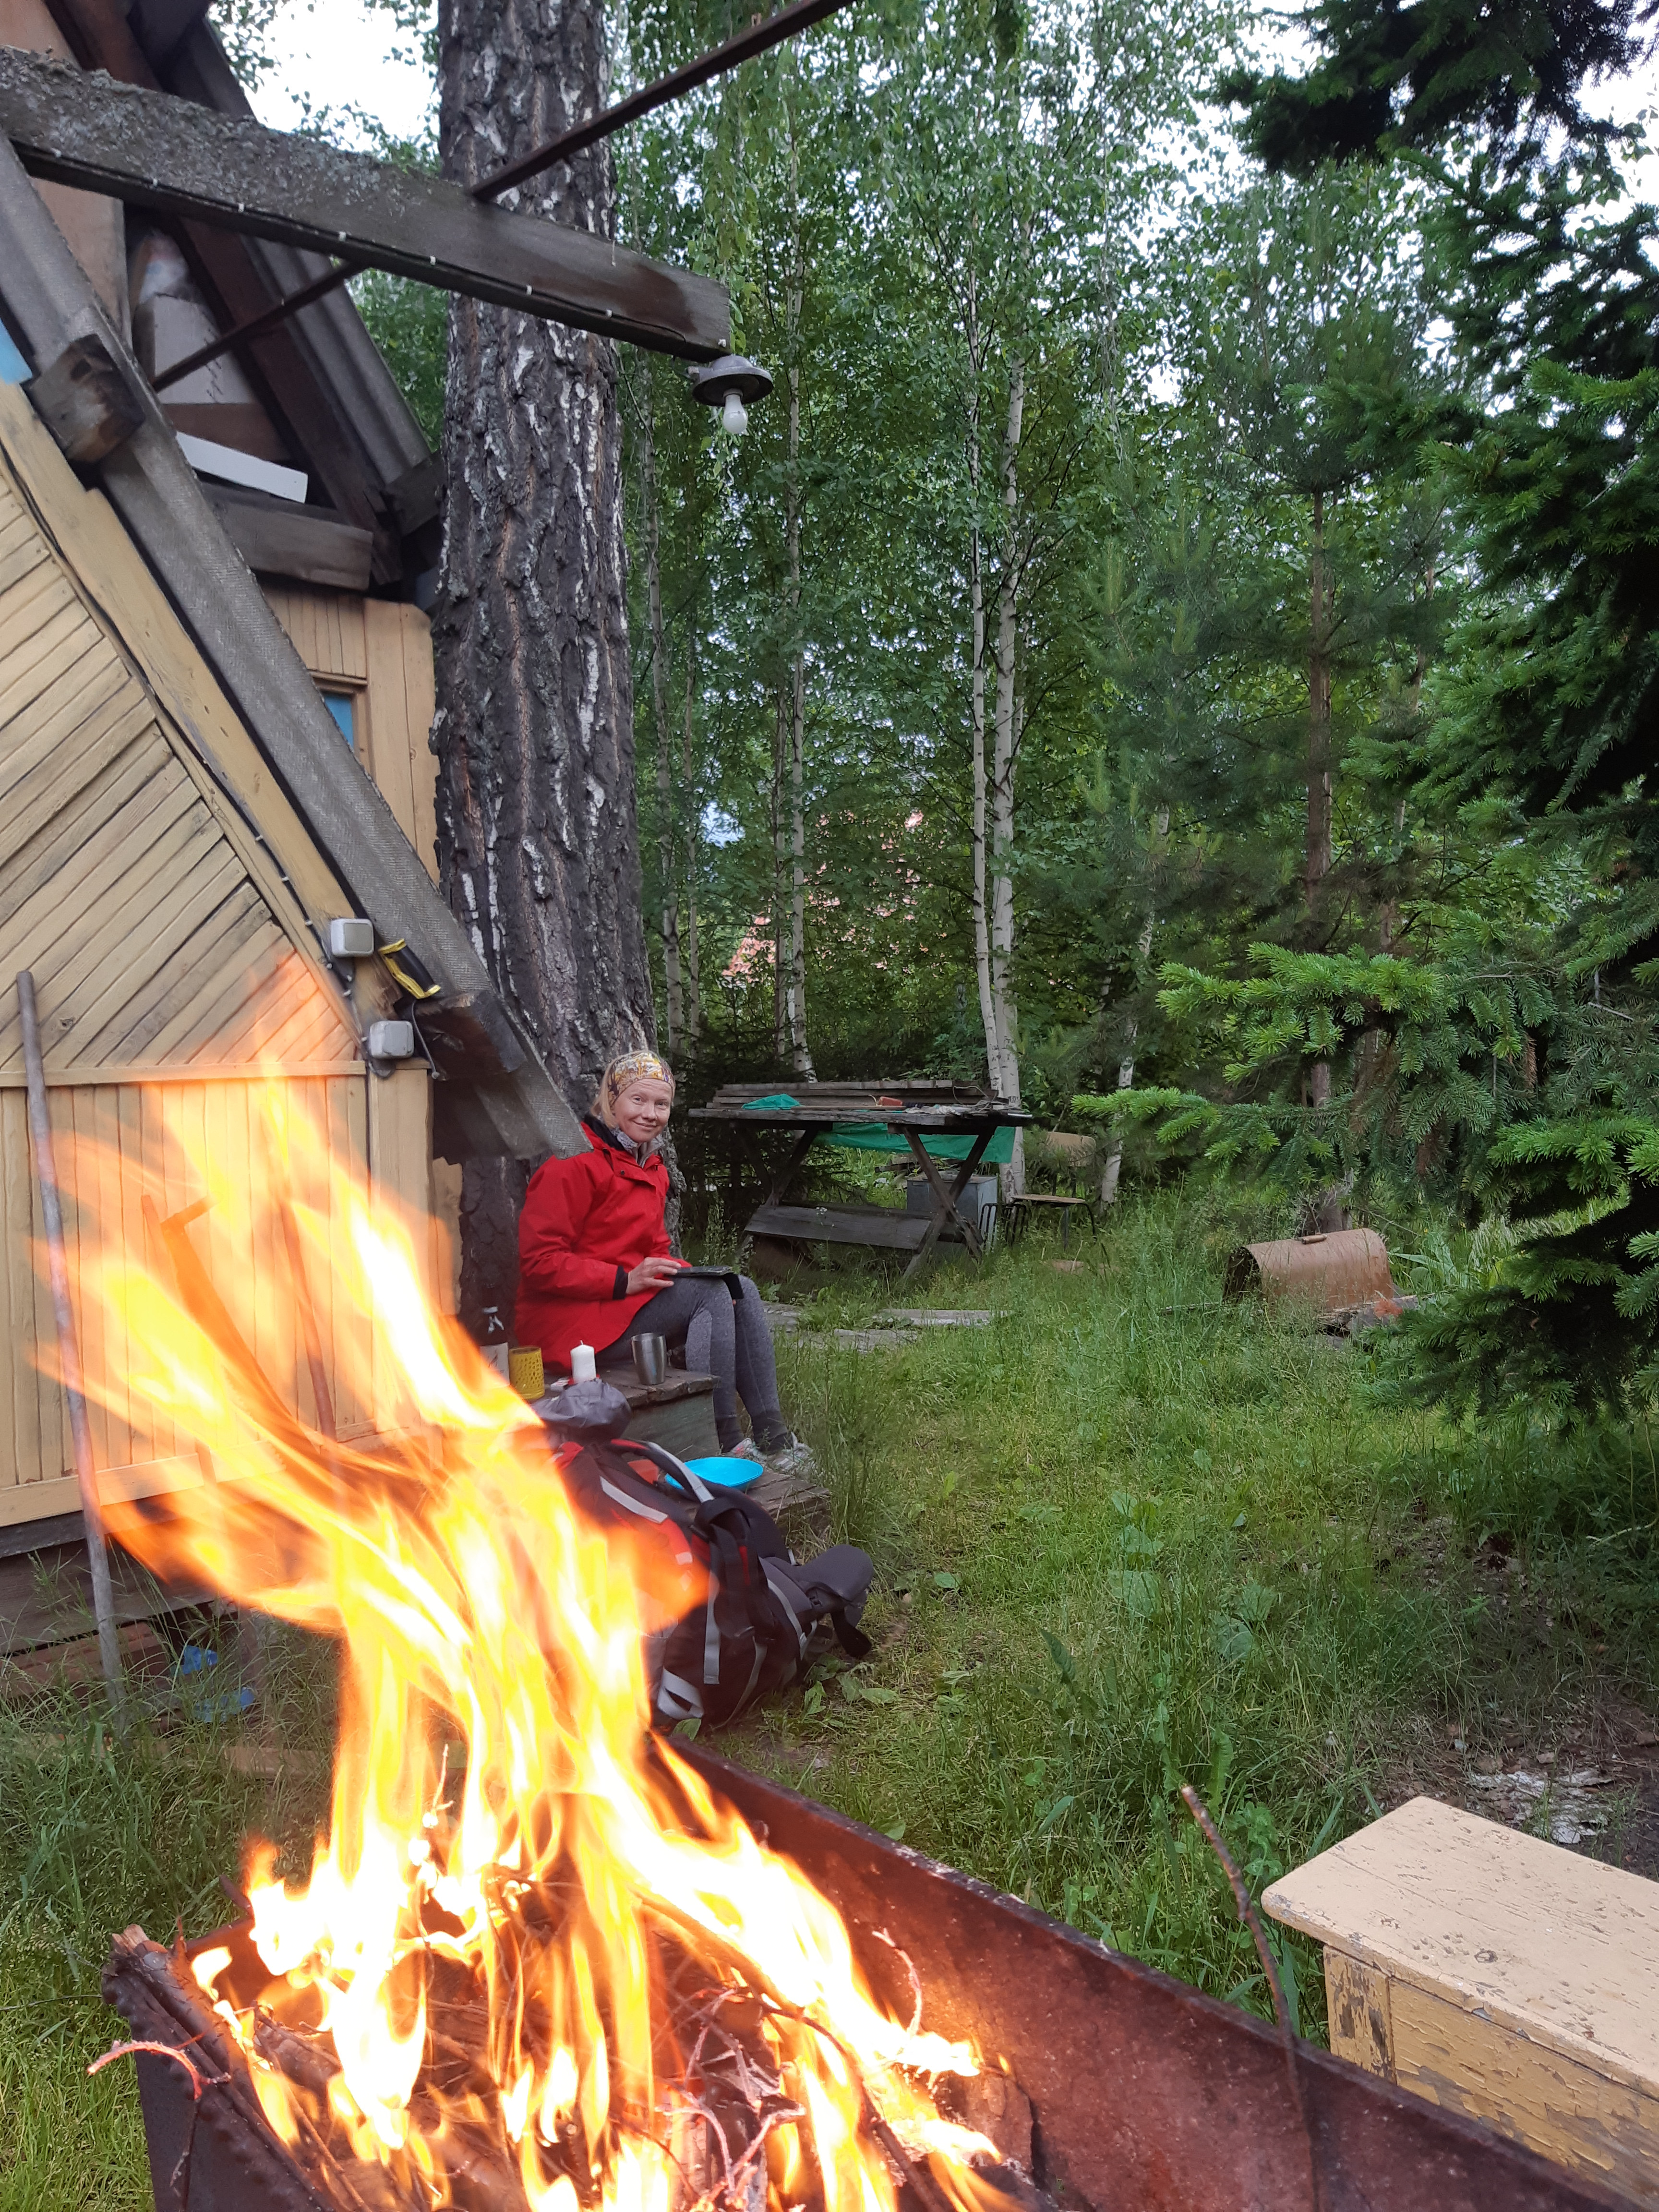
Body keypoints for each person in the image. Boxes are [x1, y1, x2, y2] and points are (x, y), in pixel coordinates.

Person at [515, 1052, 814, 1475]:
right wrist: (623, 1280)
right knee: (710, 1295)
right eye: (638, 1100)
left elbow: (658, 1250)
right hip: (572, 1327)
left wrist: (692, 1276)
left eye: (661, 1104)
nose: (650, 1114)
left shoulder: (649, 1166)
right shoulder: (572, 1163)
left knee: (738, 1287)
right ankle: (724, 1440)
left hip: (622, 1308)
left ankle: (774, 1438)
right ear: (612, 1100)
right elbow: (540, 1262)